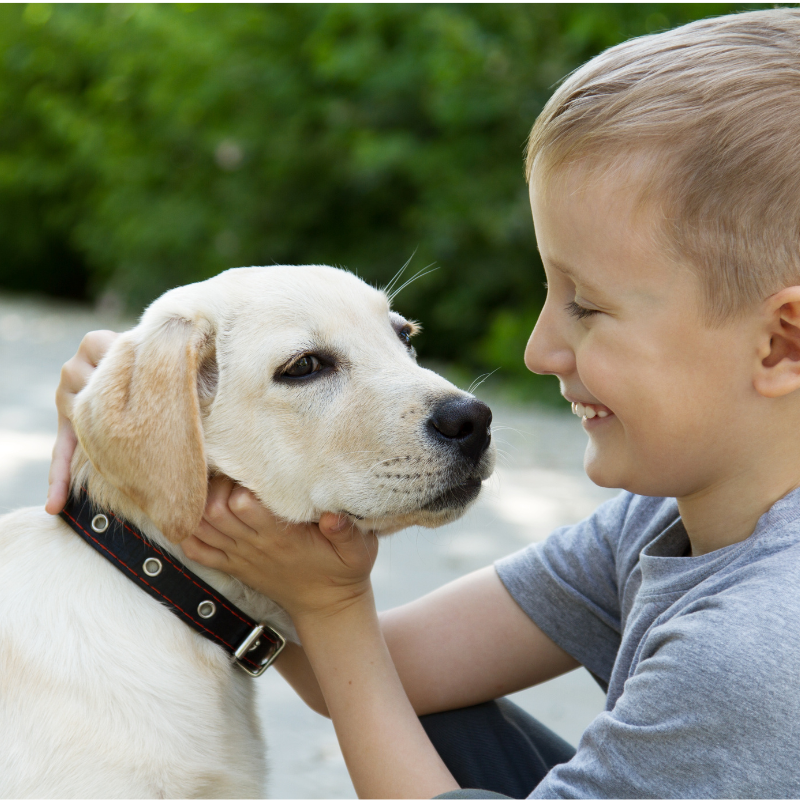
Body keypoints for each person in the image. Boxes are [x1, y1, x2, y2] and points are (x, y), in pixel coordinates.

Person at [45, 9, 800, 798]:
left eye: (587, 305)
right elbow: (378, 672)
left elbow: (345, 643)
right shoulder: (660, 523)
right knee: (429, 712)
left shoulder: (758, 646)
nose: (537, 350)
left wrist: (335, 604)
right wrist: (143, 412)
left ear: (781, 343)